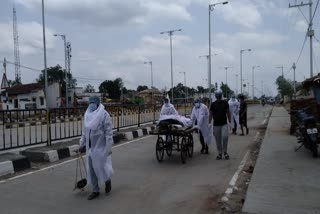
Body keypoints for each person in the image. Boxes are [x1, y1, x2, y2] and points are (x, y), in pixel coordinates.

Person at [79, 96, 113, 200]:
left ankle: (107, 181)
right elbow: (85, 132)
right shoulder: (87, 114)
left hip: (100, 145)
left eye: (94, 103)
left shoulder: (104, 114)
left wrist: (108, 146)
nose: (92, 105)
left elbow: (108, 132)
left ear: (98, 103)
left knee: (101, 167)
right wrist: (82, 144)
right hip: (90, 147)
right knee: (91, 169)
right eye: (90, 103)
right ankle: (95, 190)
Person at [209, 90, 231, 160]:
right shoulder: (213, 104)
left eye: (219, 94)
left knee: (225, 137)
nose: (218, 96)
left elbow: (228, 112)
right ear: (215, 96)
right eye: (217, 95)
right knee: (218, 140)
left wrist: (230, 122)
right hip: (216, 125)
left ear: (221, 95)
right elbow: (211, 114)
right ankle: (220, 153)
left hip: (224, 123)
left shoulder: (225, 103)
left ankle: (225, 152)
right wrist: (209, 123)